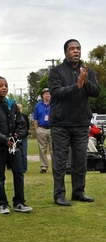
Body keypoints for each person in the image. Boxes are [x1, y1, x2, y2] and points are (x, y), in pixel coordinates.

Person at [48, 39, 100, 206]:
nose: (76, 51)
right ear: (66, 52)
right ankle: (59, 195)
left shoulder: (88, 71)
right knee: (60, 161)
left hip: (81, 123)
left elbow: (96, 92)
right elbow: (55, 93)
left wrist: (85, 83)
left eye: (78, 48)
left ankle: (78, 192)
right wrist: (76, 86)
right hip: (61, 124)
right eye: (72, 49)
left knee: (80, 161)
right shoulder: (56, 72)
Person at [0, 77, 32, 214]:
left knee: (19, 173)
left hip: (14, 146)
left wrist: (17, 135)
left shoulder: (12, 104)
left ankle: (19, 202)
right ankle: (2, 204)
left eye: (6, 85)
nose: (4, 88)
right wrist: (4, 139)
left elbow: (22, 123)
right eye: (0, 86)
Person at [33, 88, 52, 173]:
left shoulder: (54, 104)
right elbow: (35, 118)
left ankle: (56, 166)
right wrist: (37, 130)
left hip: (52, 129)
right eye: (46, 93)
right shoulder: (38, 105)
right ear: (43, 95)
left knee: (54, 149)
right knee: (42, 149)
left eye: (49, 93)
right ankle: (44, 166)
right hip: (42, 129)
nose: (48, 95)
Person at [17, 104, 30, 173]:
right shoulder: (14, 116)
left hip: (24, 136)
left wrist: (23, 134)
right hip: (16, 137)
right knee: (16, 153)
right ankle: (17, 167)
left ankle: (24, 168)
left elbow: (27, 126)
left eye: (20, 108)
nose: (19, 110)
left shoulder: (24, 116)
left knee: (23, 153)